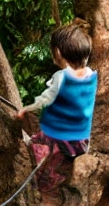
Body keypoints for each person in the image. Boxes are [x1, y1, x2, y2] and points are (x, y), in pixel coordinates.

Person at [17, 21, 98, 192]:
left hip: (61, 138)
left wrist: (27, 108)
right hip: (81, 141)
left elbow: (45, 99)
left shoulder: (61, 77)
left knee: (39, 145)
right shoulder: (90, 75)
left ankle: (40, 179)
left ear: (58, 52)